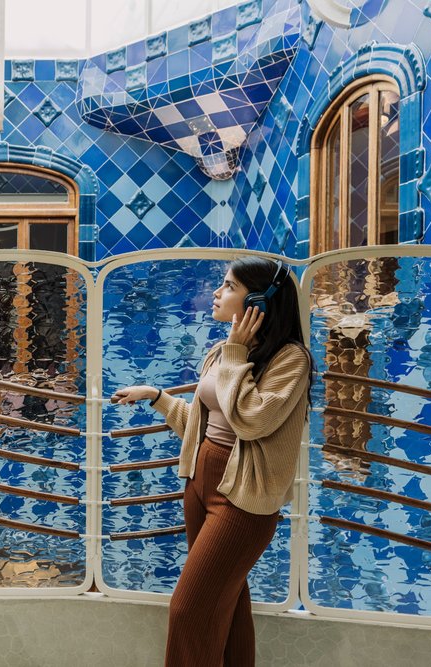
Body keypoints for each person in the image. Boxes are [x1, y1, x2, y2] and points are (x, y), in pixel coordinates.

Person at [112, 256, 312, 667]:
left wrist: (237, 354)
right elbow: (204, 426)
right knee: (228, 605)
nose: (217, 294)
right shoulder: (222, 351)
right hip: (201, 483)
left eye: (228, 287)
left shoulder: (290, 360)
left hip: (242, 498)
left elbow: (253, 420)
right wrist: (157, 397)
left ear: (258, 300)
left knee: (191, 611)